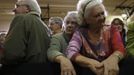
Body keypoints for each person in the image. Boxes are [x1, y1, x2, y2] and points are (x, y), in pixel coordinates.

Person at [66, 0, 125, 75]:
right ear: (86, 20)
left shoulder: (111, 30)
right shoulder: (80, 33)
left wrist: (114, 58)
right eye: (96, 16)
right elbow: (71, 51)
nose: (102, 17)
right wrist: (90, 63)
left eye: (102, 13)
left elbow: (120, 48)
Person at [0, 0, 51, 75]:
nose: (14, 10)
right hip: (42, 70)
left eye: (17, 6)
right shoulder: (44, 26)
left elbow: (12, 54)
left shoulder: (21, 18)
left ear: (27, 9)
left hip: (22, 70)